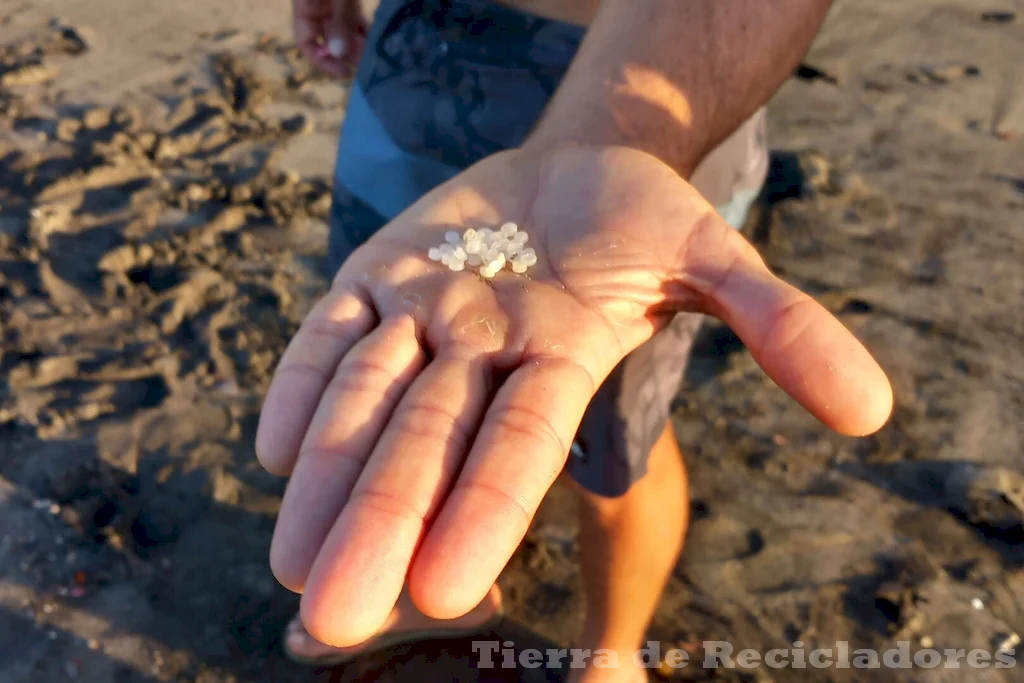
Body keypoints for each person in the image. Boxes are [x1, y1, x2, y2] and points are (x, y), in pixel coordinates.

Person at [255, 0, 894, 680]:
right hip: (418, 45)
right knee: (416, 361)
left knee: (607, 440)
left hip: (645, 68)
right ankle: (430, 583)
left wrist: (614, 133)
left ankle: (611, 648)